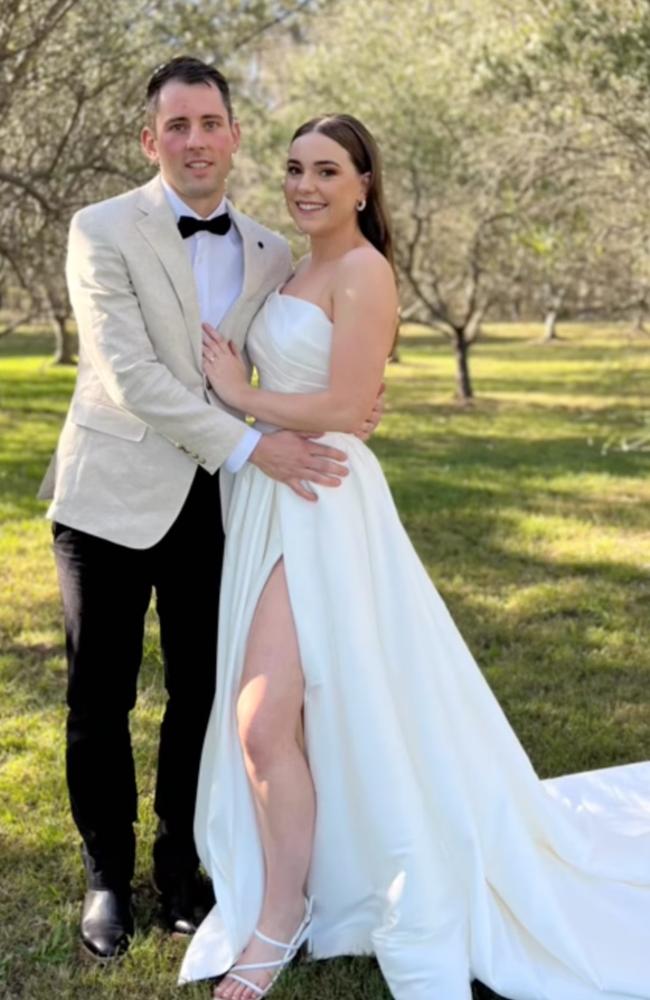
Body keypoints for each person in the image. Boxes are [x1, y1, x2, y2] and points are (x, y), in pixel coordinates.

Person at [179, 114, 650, 1000]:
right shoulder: (291, 263)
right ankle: (306, 888)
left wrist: (242, 393)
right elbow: (327, 390)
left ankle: (279, 920)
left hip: (321, 500)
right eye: (292, 169)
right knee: (309, 718)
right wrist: (265, 404)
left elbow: (351, 400)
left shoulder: (364, 270)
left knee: (262, 722)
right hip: (270, 492)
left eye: (326, 170)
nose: (305, 185)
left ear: (364, 183)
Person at [39, 58, 377, 962]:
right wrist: (252, 441)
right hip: (109, 499)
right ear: (151, 140)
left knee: (203, 692)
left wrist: (336, 406)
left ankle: (180, 866)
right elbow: (129, 373)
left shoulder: (272, 247)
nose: (195, 139)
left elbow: (305, 353)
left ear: (233, 136)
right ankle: (108, 874)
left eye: (211, 122)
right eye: (176, 124)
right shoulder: (99, 228)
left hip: (223, 504)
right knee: (98, 696)